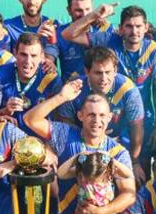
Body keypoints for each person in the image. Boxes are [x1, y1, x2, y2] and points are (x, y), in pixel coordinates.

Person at [23, 82, 137, 214]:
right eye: (91, 115)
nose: (97, 120)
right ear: (80, 116)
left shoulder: (118, 152)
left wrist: (100, 211)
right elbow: (30, 119)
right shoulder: (66, 134)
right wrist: (61, 97)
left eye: (102, 115)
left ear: (110, 118)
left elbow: (129, 194)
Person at [62, 3, 156, 163]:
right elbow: (68, 34)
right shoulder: (109, 39)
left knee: (136, 172)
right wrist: (94, 15)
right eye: (129, 26)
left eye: (139, 26)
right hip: (101, 117)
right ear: (120, 28)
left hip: (137, 121)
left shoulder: (154, 51)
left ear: (146, 27)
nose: (134, 31)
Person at [56, 46, 145, 184]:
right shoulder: (75, 87)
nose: (104, 78)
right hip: (82, 142)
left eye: (108, 72)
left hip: (117, 143)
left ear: (115, 70)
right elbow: (65, 122)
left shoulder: (128, 90)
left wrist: (134, 161)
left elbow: (137, 126)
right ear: (87, 71)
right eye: (98, 73)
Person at [0, 32, 62, 129]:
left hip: (40, 139)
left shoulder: (51, 79)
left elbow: (60, 121)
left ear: (42, 57)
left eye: (33, 56)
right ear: (15, 53)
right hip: (8, 137)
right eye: (23, 54)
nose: (28, 61)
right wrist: (6, 111)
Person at [2, 0, 59, 68]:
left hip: (46, 80)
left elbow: (52, 58)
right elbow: (5, 61)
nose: (32, 1)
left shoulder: (53, 24)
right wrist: (37, 36)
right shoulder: (8, 26)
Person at [55, 0, 110, 81]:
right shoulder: (59, 33)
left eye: (88, 9)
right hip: (71, 92)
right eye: (79, 10)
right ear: (69, 10)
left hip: (99, 92)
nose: (85, 15)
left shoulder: (105, 29)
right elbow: (49, 58)